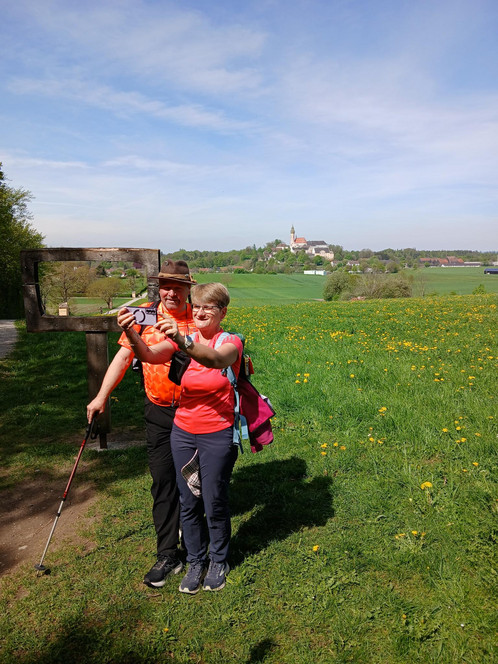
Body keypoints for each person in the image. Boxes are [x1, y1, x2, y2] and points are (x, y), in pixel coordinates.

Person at [117, 282, 243, 593]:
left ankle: (218, 560)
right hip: (183, 432)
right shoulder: (184, 342)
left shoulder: (231, 342)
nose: (199, 312)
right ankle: (195, 560)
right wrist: (131, 331)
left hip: (217, 432)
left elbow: (215, 360)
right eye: (196, 306)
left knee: (213, 498)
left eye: (208, 307)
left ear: (223, 312)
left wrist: (181, 339)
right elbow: (148, 354)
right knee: (187, 500)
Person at [86, 260, 196, 588]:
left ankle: (197, 547)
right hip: (159, 410)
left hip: (195, 412)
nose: (171, 293)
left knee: (195, 482)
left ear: (188, 288)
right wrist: (101, 397)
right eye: (165, 286)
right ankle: (167, 554)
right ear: (158, 288)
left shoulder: (199, 317)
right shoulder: (144, 317)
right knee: (163, 480)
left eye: (178, 287)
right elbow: (124, 357)